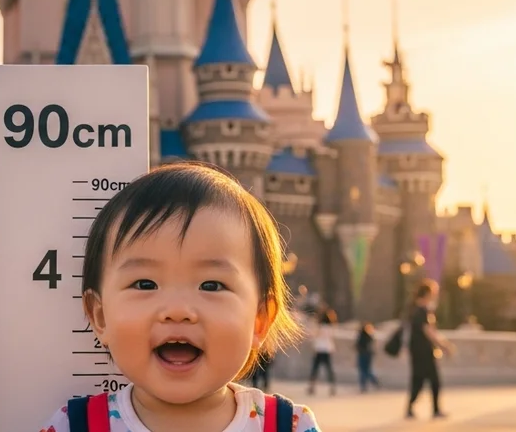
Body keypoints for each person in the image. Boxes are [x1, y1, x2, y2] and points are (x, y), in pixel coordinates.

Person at [38, 162, 319, 432]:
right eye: (145, 284)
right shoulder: (73, 425)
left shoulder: (289, 425)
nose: (177, 310)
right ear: (100, 316)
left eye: (211, 286)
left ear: (260, 319)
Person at [406, 279, 450, 420]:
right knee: (433, 379)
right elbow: (428, 331)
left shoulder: (416, 309)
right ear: (427, 293)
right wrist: (444, 345)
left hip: (418, 350)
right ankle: (433, 410)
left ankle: (410, 408)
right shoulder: (421, 311)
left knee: (419, 379)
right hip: (423, 351)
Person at [307, 309, 337, 396]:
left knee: (315, 369)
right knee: (329, 369)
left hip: (319, 349)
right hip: (327, 349)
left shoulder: (319, 327)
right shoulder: (331, 328)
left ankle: (312, 387)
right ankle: (332, 387)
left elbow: (313, 336)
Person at [356, 322, 381, 392]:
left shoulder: (361, 336)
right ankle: (374, 381)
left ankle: (363, 386)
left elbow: (358, 345)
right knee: (367, 370)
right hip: (369, 354)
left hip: (363, 354)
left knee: (363, 371)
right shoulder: (370, 337)